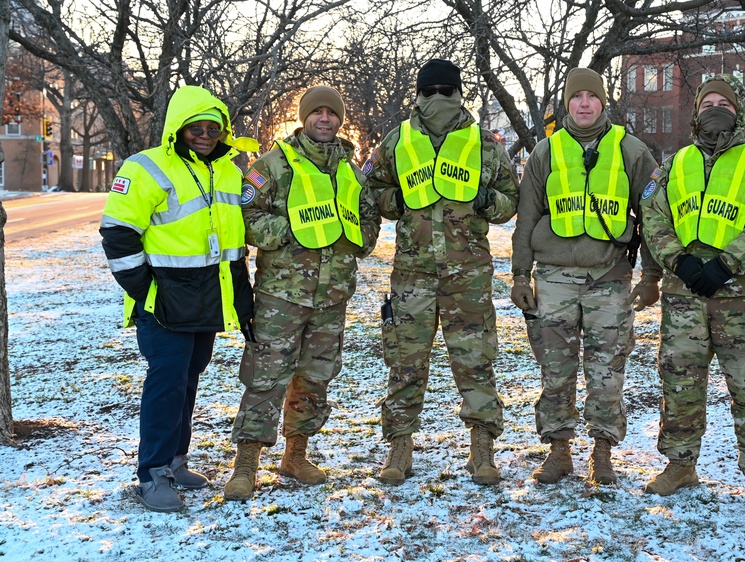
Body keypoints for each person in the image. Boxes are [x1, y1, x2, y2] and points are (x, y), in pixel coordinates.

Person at [100, 85, 258, 512]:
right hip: (163, 302)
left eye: (213, 127)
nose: (205, 134)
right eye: (196, 127)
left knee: (188, 380)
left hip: (206, 299)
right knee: (165, 383)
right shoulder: (146, 167)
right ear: (178, 128)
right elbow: (117, 233)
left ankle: (175, 460)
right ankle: (152, 474)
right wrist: (145, 291)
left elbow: (232, 245)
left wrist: (241, 300)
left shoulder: (227, 171)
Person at [365, 59, 519, 485]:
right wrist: (397, 202)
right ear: (417, 94)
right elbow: (374, 189)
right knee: (404, 363)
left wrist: (486, 198)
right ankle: (400, 447)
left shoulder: (484, 143)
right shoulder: (397, 139)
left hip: (467, 275)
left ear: (459, 93)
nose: (437, 98)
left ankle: (482, 447)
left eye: (445, 90)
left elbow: (511, 199)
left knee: (476, 363)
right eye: (428, 90)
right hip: (411, 273)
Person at [222, 86, 381, 501]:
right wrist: (289, 233)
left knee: (315, 379)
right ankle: (246, 466)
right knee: (266, 378)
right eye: (317, 112)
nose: (325, 119)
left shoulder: (349, 169)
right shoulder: (272, 165)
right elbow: (245, 216)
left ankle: (295, 456)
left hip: (332, 297)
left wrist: (360, 239)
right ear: (304, 117)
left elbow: (368, 218)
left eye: (332, 113)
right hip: (282, 296)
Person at [510, 67, 662, 486]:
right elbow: (527, 217)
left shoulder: (631, 150)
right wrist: (521, 275)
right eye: (576, 97)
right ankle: (559, 452)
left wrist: (651, 275)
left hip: (609, 276)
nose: (583, 104)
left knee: (607, 369)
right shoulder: (546, 151)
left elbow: (652, 215)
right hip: (555, 276)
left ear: (602, 102)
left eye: (591, 97)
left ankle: (603, 453)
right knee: (555, 370)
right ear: (566, 103)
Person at [639, 75, 745, 506]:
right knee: (680, 382)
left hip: (741, 295)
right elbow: (653, 215)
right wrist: (680, 262)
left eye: (723, 102)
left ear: (738, 111)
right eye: (708, 102)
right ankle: (680, 465)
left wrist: (725, 265)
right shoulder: (674, 163)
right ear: (696, 110)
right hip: (684, 294)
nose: (714, 108)